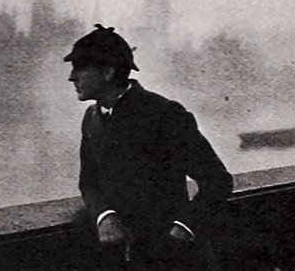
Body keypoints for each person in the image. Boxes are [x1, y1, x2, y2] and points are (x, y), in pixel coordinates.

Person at [64, 24, 233, 270]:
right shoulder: (92, 118)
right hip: (124, 255)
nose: (72, 77)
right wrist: (104, 216)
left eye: (80, 68)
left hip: (175, 257)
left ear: (108, 72)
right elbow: (89, 182)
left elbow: (218, 181)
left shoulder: (164, 114)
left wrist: (183, 228)